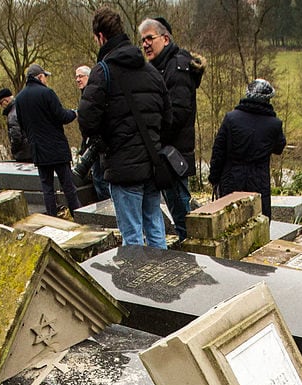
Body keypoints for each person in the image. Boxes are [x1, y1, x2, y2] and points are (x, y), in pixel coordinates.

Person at [78, 6, 172, 248]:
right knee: (155, 232)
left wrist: (108, 136)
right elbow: (168, 118)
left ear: (101, 37)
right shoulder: (151, 71)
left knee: (132, 240)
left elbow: (87, 121)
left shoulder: (103, 72)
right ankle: (163, 284)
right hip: (152, 165)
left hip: (123, 168)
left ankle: (140, 287)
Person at [139, 16, 204, 241]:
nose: (145, 44)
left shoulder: (177, 68)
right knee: (179, 211)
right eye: (142, 40)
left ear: (165, 39)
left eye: (150, 38)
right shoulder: (161, 67)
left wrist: (153, 137)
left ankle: (191, 255)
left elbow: (177, 115)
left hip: (173, 154)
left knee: (182, 216)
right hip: (167, 152)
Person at [208, 79, 286, 219]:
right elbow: (279, 148)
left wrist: (214, 177)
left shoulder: (231, 118)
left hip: (231, 177)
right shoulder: (274, 124)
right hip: (259, 179)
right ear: (268, 99)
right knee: (258, 219)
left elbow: (218, 150)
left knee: (229, 221)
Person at [15, 64, 80, 216]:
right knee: (68, 186)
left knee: (47, 189)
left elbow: (22, 125)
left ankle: (52, 219)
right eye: (45, 77)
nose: (46, 80)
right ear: (40, 77)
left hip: (38, 149)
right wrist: (74, 113)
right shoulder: (47, 93)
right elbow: (61, 116)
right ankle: (78, 215)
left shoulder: (19, 98)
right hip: (57, 148)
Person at [72, 64, 109, 200]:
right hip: (91, 144)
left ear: (89, 77)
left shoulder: (95, 94)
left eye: (81, 76)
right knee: (98, 179)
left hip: (99, 145)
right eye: (76, 77)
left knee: (101, 180)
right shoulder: (85, 95)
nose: (77, 80)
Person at [0, 87, 31, 162]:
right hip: (33, 150)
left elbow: (16, 136)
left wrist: (14, 150)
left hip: (24, 153)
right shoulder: (23, 107)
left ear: (6, 100)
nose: (1, 106)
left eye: (1, 103)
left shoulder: (12, 115)